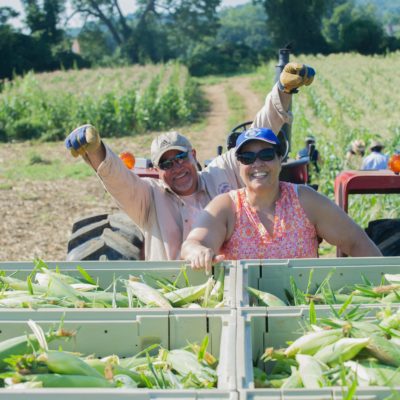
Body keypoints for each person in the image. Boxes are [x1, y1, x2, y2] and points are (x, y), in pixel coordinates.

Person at [65, 62, 316, 261]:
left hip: (228, 289)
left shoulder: (221, 173)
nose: (177, 168)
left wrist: (282, 91)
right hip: (172, 299)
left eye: (180, 157)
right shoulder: (148, 199)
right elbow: (118, 179)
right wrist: (96, 149)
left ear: (193, 155)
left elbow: (259, 133)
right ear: (156, 171)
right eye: (166, 164)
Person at [181, 127, 382, 272]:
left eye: (266, 155)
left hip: (303, 307)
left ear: (280, 160)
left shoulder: (305, 200)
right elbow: (194, 242)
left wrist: (387, 281)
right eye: (247, 158)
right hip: (243, 309)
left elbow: (355, 240)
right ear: (239, 165)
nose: (257, 164)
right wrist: (197, 251)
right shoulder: (226, 206)